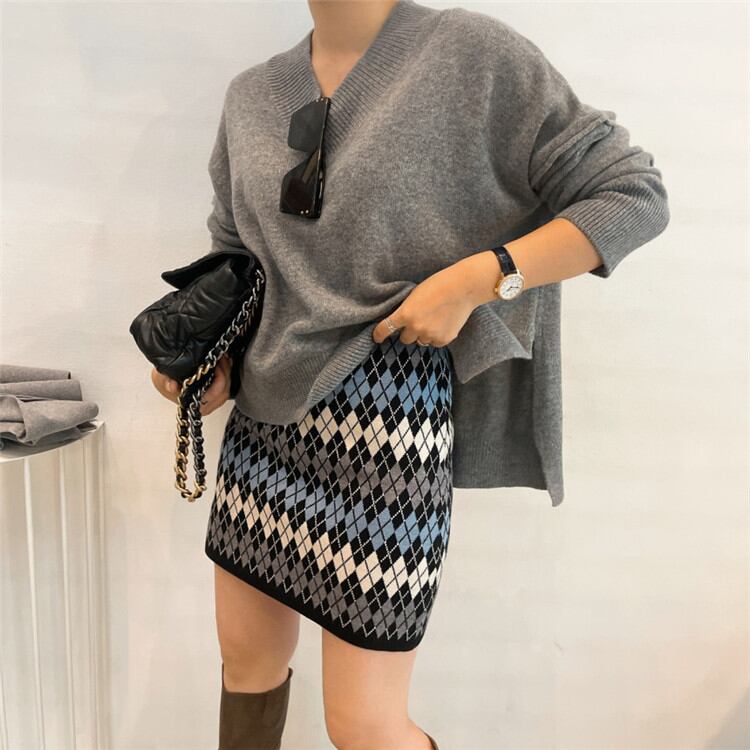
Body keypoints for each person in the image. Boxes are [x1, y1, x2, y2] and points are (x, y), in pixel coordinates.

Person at [152, 1, 670, 748]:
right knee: (246, 665)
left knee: (362, 723)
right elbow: (237, 254)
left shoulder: (472, 55)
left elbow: (632, 194)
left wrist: (479, 280)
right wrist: (217, 364)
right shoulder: (252, 95)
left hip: (389, 424)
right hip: (262, 429)